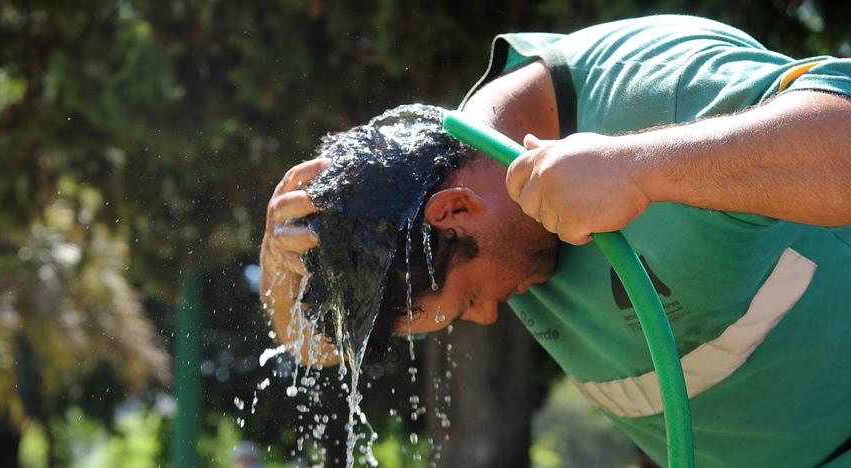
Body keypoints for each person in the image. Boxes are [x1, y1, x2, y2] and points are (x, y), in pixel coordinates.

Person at [259, 14, 851, 467]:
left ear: (457, 209)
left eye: (467, 301)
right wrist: (279, 259)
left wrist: (640, 168)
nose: (492, 316)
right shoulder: (474, 221)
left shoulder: (647, 84)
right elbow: (314, 349)